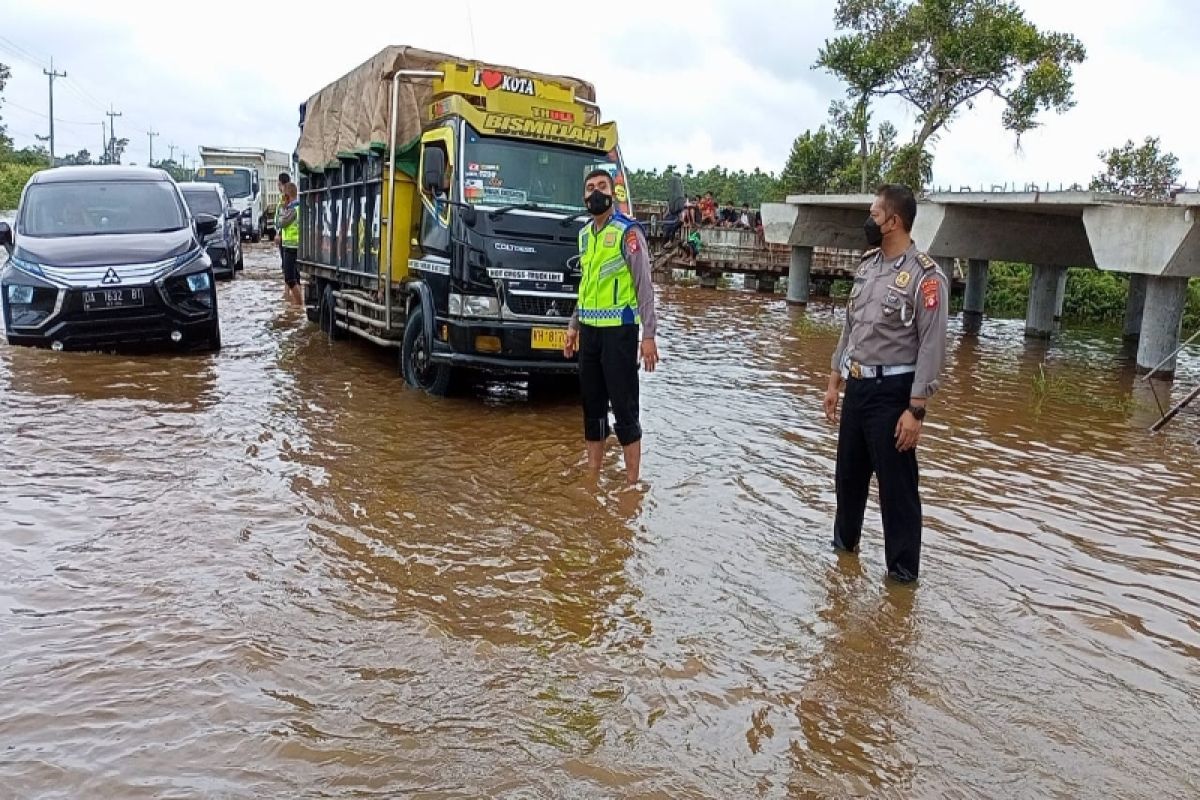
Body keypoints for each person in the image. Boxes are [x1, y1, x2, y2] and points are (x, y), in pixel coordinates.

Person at [823, 184, 949, 583]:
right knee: (848, 480)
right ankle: (844, 560)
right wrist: (834, 379)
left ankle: (902, 580)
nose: (869, 221)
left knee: (897, 493)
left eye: (874, 214)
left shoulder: (926, 277)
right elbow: (851, 327)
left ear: (893, 221)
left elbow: (932, 345)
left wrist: (916, 410)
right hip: (858, 388)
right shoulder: (868, 266)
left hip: (894, 396)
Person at [564, 169, 659, 485]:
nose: (595, 193)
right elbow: (586, 285)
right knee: (592, 408)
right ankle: (593, 476)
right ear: (583, 197)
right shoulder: (583, 235)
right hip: (589, 333)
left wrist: (648, 336)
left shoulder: (628, 233)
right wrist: (573, 326)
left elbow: (644, 285)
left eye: (601, 186)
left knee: (624, 407)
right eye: (589, 188)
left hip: (619, 331)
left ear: (614, 193)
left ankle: (632, 484)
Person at [277, 182, 303, 306]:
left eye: (284, 196)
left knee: (289, 278)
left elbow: (281, 222)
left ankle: (299, 305)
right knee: (295, 277)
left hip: (291, 247)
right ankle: (297, 305)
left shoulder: (292, 209)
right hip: (293, 246)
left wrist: (282, 206)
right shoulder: (297, 208)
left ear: (287, 196)